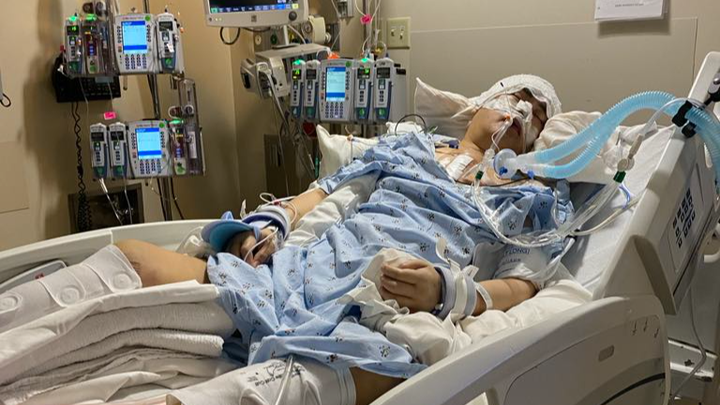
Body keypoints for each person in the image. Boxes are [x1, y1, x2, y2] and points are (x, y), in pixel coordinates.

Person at [116, 75, 566, 405]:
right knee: (132, 259)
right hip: (311, 269)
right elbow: (331, 191)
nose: (522, 112)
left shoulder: (531, 196)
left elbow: (524, 282)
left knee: (367, 366)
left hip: (382, 305)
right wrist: (276, 220)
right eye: (515, 98)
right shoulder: (408, 148)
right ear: (478, 106)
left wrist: (449, 291)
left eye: (538, 115)